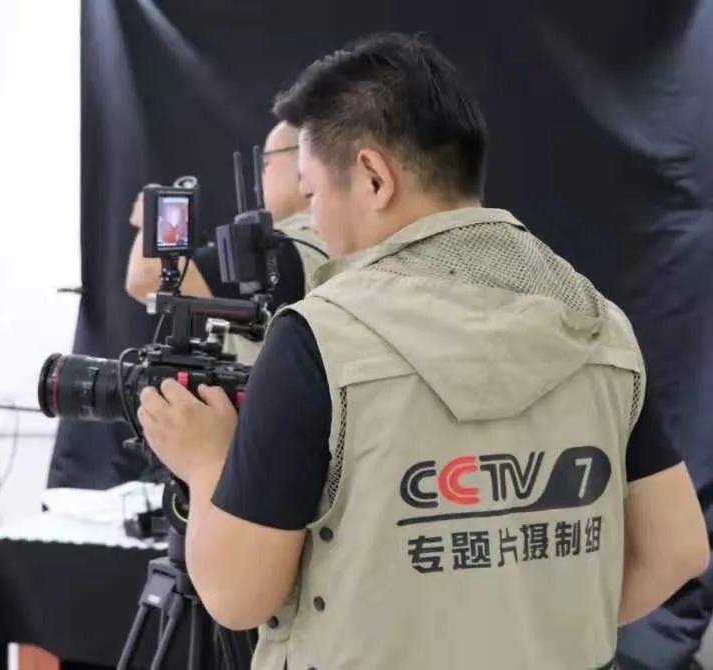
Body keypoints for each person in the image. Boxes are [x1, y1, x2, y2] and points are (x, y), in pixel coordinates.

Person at [135, 32, 709, 669]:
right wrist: (537, 627)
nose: (312, 221)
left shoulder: (319, 338)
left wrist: (206, 461)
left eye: (313, 193)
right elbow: (678, 549)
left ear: (374, 178)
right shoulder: (601, 325)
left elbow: (237, 595)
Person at [125, 121, 326, 362]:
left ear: (304, 160)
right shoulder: (335, 241)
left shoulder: (279, 248)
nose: (262, 175)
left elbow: (146, 278)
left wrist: (147, 218)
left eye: (267, 162)